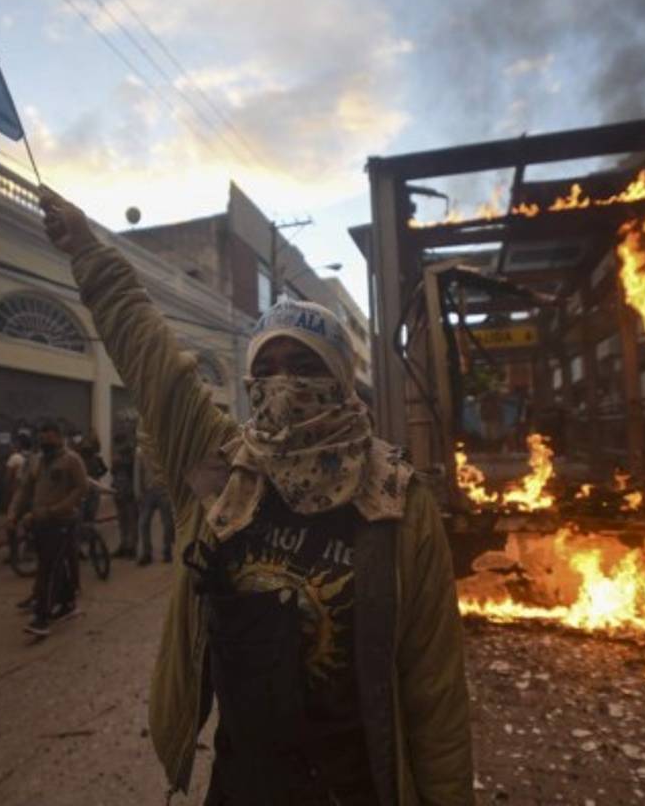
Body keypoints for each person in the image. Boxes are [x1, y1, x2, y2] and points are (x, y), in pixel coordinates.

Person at [41, 189, 473, 804]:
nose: (285, 383)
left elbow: (434, 690)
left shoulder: (396, 500)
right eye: (268, 368)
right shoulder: (224, 471)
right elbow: (153, 363)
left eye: (305, 364)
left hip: (355, 787)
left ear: (340, 379)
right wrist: (90, 251)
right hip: (244, 783)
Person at [7, 421, 88, 638]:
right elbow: (24, 489)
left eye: (50, 437)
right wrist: (13, 513)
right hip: (40, 522)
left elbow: (81, 488)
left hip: (62, 522)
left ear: (60, 437)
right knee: (54, 565)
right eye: (43, 438)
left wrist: (58, 509)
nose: (46, 441)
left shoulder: (71, 460)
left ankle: (41, 618)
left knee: (47, 569)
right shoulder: (37, 461)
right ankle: (68, 602)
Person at [135, 426, 174, 566]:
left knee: (167, 523)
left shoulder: (165, 450)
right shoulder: (140, 452)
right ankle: (146, 553)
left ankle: (167, 551)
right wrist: (138, 492)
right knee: (143, 523)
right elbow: (137, 473)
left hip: (164, 491)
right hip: (148, 492)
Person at [4, 435, 32, 564]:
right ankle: (28, 552)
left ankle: (13, 554)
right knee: (29, 525)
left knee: (11, 525)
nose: (11, 446)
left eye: (13, 443)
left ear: (19, 445)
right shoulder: (33, 457)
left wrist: (10, 494)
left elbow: (9, 477)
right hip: (32, 496)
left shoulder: (14, 458)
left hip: (19, 495)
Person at [111, 431, 139, 559]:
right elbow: (113, 472)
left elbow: (134, 472)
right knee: (122, 520)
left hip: (129, 491)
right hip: (119, 490)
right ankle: (124, 545)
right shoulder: (118, 454)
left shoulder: (132, 454)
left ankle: (131, 547)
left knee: (131, 520)